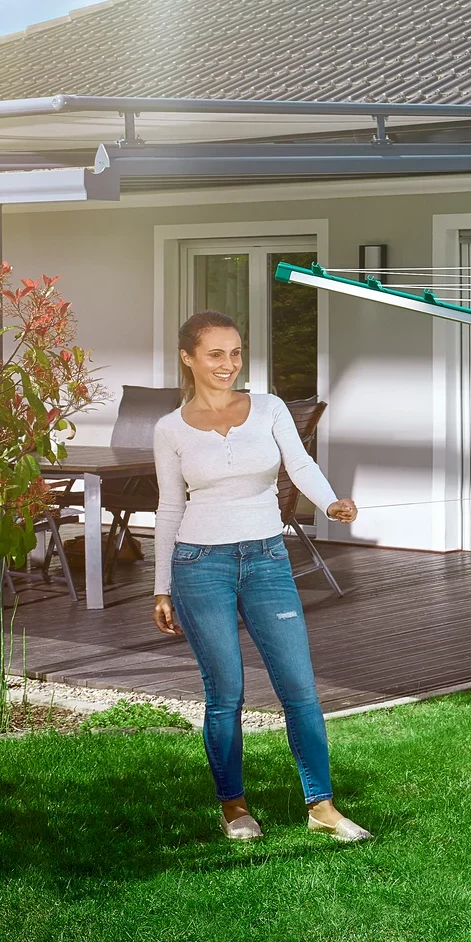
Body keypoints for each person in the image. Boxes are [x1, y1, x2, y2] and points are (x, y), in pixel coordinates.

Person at [151, 310, 370, 844]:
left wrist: (331, 503)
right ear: (188, 358)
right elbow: (169, 507)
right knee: (225, 691)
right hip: (200, 564)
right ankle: (234, 807)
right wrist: (161, 587)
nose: (229, 364)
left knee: (299, 687)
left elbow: (301, 465)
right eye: (215, 354)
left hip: (268, 559)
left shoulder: (270, 408)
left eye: (235, 352)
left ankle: (321, 806)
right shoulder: (170, 429)